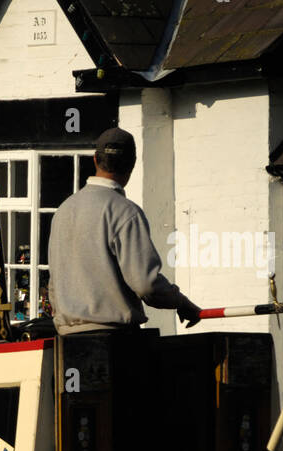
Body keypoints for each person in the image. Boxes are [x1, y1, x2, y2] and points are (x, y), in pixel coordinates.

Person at [47, 127, 200, 335]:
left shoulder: (63, 210)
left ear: (95, 160)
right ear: (132, 164)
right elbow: (147, 285)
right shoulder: (125, 211)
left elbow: (54, 283)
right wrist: (181, 302)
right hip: (114, 339)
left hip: (66, 339)